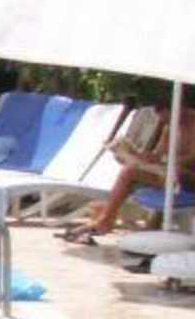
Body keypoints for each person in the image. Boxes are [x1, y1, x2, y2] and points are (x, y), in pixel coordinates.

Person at [63, 101, 195, 243]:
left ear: (181, 109)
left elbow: (192, 158)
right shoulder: (170, 127)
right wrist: (138, 156)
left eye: (169, 119)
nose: (168, 123)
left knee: (139, 172)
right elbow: (158, 154)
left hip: (188, 176)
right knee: (129, 170)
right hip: (168, 174)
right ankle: (106, 219)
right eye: (165, 120)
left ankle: (106, 220)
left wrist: (165, 161)